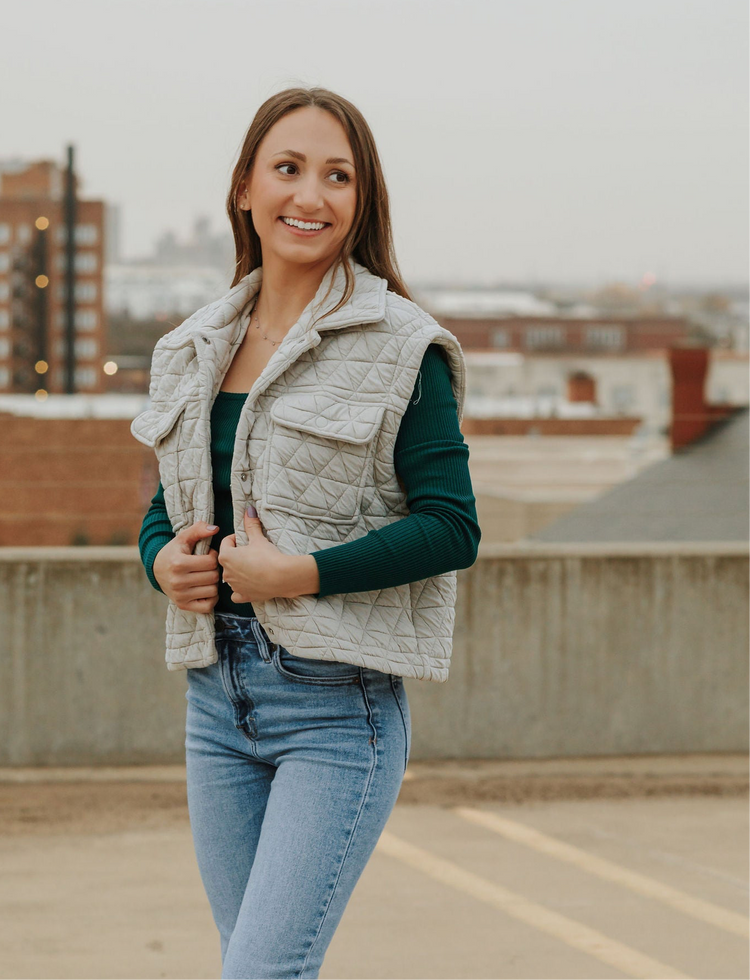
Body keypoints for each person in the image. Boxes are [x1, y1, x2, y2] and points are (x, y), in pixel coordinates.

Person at [133, 86, 480, 980]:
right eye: (288, 168)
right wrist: (161, 563)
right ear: (245, 186)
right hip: (216, 700)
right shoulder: (191, 347)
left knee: (262, 972)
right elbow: (165, 510)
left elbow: (452, 525)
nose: (311, 196)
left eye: (338, 176)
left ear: (362, 202)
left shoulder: (403, 344)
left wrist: (301, 575)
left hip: (338, 709)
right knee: (249, 963)